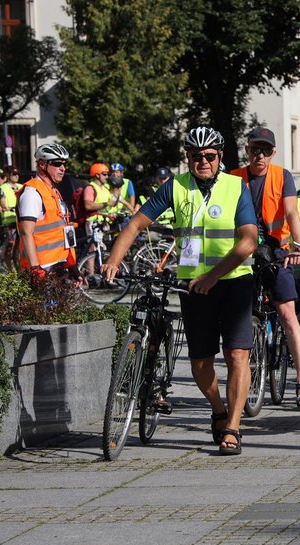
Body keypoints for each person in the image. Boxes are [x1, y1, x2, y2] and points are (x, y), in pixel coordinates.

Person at [103, 126, 259, 456]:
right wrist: (113, 261)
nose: (202, 161)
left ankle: (232, 427)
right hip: (193, 286)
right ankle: (217, 409)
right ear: (187, 158)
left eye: (209, 156)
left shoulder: (236, 187)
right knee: (200, 363)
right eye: (195, 156)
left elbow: (248, 241)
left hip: (234, 282)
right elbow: (135, 224)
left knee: (236, 356)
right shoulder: (176, 187)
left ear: (220, 158)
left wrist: (215, 276)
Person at [230, 126, 300, 408]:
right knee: (238, 315)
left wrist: (298, 246)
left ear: (273, 153)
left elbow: (292, 212)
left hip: (279, 250)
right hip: (244, 249)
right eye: (255, 150)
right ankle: (243, 377)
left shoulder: (282, 176)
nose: (260, 156)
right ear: (247, 151)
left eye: (265, 151)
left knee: (288, 314)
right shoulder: (233, 178)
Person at [16, 144, 79, 276]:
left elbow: (63, 230)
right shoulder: (32, 193)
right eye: (57, 164)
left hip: (58, 265)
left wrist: (73, 267)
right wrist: (35, 269)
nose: (62, 168)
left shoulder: (53, 191)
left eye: (64, 164)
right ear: (42, 164)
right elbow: (26, 233)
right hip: (42, 269)